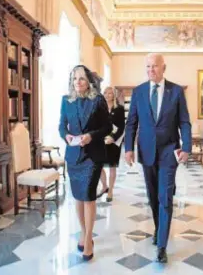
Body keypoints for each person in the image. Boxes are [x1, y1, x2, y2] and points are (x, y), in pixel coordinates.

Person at [124, 53, 192, 263]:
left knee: (165, 197)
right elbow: (131, 123)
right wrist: (128, 149)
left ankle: (161, 245)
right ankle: (158, 227)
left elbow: (184, 122)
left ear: (164, 68)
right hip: (146, 151)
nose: (151, 70)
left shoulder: (176, 91)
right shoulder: (139, 92)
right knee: (153, 196)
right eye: (148, 66)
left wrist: (187, 147)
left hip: (169, 151)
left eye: (155, 66)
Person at [59, 65, 112, 261]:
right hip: (74, 156)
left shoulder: (97, 100)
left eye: (81, 78)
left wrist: (91, 136)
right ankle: (83, 231)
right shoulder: (66, 101)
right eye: (75, 78)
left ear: (88, 81)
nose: (78, 82)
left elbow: (107, 126)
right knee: (78, 197)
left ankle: (88, 238)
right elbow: (61, 126)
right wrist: (66, 137)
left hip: (92, 156)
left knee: (89, 196)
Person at [97, 86, 126, 202]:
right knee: (99, 166)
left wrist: (113, 138)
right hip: (101, 141)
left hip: (114, 142)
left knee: (112, 167)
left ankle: (110, 191)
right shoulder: (99, 108)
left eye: (109, 93)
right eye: (105, 93)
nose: (107, 95)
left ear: (113, 95)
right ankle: (104, 186)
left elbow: (121, 127)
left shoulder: (119, 108)